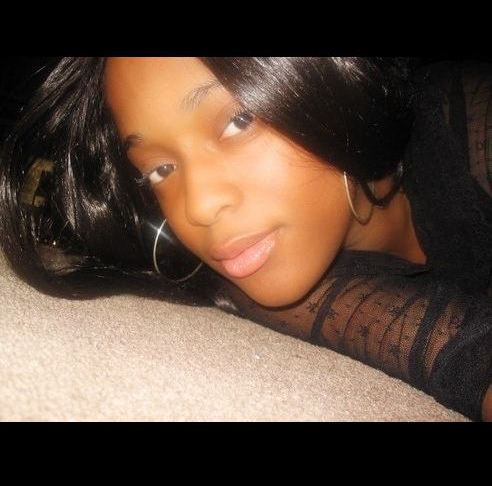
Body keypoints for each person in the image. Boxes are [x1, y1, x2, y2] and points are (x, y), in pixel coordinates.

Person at [0, 57, 491, 421]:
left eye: (238, 122)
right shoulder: (258, 266)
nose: (198, 206)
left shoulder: (473, 121)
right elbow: (461, 350)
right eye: (159, 169)